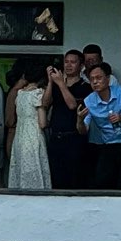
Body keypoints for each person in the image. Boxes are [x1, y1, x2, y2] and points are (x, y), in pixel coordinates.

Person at [78, 60, 121, 189]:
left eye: (99, 78)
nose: (95, 82)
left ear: (108, 78)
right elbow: (84, 130)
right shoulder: (89, 100)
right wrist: (79, 120)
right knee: (103, 182)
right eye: (92, 79)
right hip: (107, 145)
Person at [43, 50, 89, 188]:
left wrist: (61, 84)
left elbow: (72, 105)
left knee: (73, 179)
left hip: (74, 137)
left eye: (73, 62)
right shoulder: (57, 84)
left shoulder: (85, 87)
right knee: (56, 179)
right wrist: (51, 82)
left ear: (81, 66)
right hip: (56, 137)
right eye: (66, 62)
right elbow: (45, 103)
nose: (68, 65)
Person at [6, 59, 51, 190]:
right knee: (35, 171)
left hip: (19, 137)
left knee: (20, 171)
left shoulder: (20, 94)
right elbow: (42, 123)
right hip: (34, 137)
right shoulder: (38, 94)